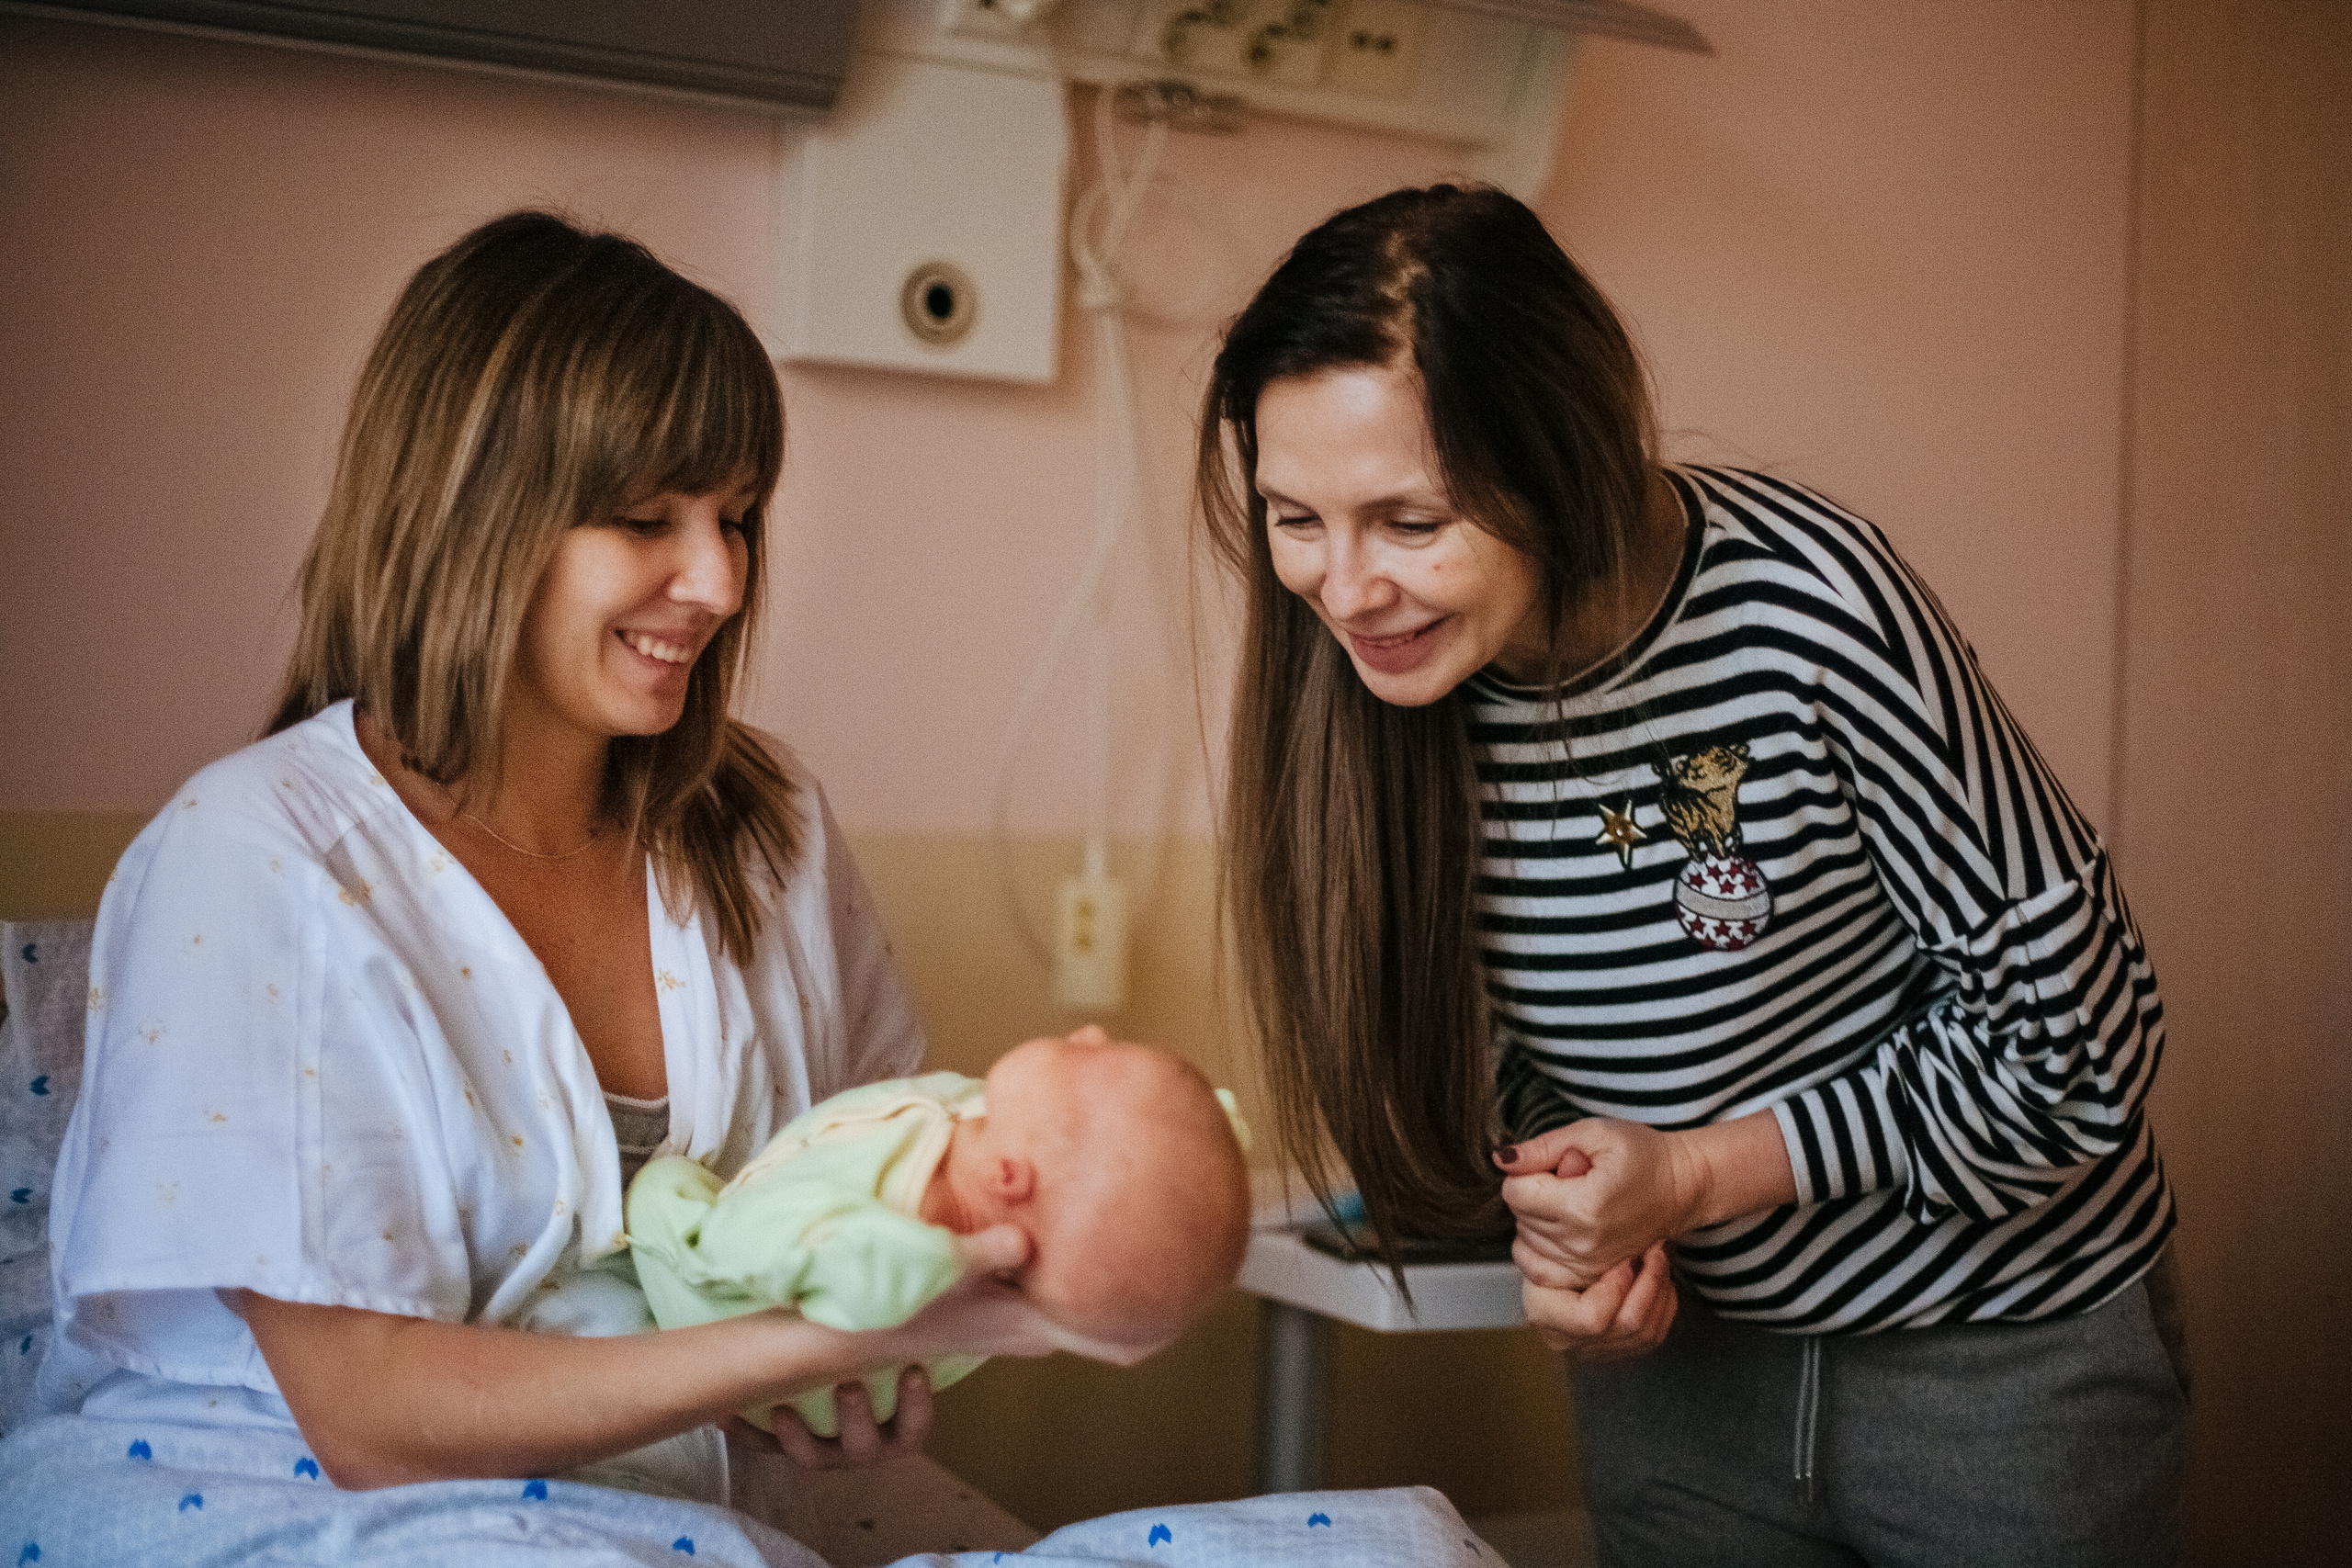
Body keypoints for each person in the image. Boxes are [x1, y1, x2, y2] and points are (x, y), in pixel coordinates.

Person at [2, 210, 1069, 1564]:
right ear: (470, 511)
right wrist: (784, 1345)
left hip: (667, 1515)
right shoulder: (260, 856)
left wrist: (852, 1359)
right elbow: (368, 1417)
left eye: (737, 516)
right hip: (283, 1499)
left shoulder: (767, 830)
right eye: (647, 518)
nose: (720, 579)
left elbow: (868, 1185)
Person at [1197, 185, 2186, 1565]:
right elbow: (1521, 1074)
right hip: (1683, 1378)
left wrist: (1704, 1170)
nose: (1347, 588)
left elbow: (2081, 1044)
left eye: (1410, 520)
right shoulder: (1388, 687)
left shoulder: (1811, 611)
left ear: (1562, 458)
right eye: (1296, 516)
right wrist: (1565, 1232)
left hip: (1999, 1357)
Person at [627, 1027, 1252, 1438]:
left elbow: (845, 1262)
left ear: (1009, 1176)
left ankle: (667, 1247)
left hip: (722, 1309)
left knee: (660, 1190)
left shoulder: (915, 1224)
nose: (1088, 1031)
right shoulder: (989, 1138)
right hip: (801, 1371)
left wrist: (953, 1255)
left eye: (1090, 1056)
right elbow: (1128, 1166)